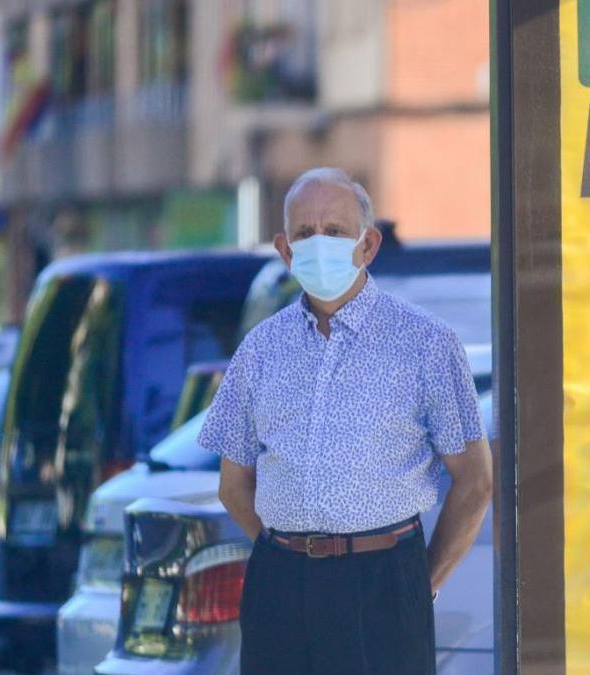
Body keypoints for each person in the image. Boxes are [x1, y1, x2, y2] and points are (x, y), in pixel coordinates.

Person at [199, 167, 492, 675]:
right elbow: (233, 485)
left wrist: (418, 584)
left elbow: (476, 480)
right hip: (279, 586)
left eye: (335, 231)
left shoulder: (426, 343)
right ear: (284, 250)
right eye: (305, 234)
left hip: (384, 580)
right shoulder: (260, 350)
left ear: (368, 245)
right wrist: (290, 551)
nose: (319, 245)